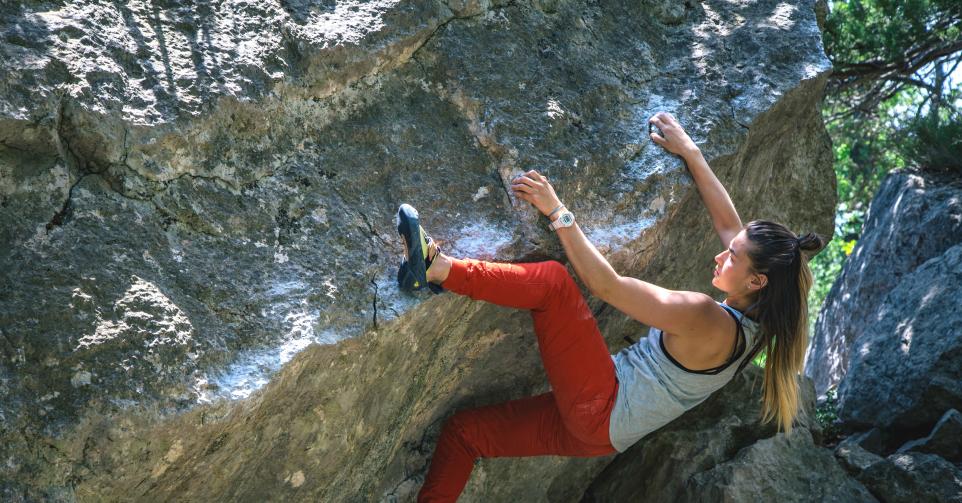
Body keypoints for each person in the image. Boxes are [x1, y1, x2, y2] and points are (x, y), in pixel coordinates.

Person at [395, 112, 826, 502]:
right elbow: (729, 226)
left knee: (554, 285)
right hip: (600, 435)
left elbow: (606, 285)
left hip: (602, 406)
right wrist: (690, 151)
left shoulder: (705, 316)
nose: (720, 255)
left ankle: (434, 267)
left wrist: (557, 211)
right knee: (465, 435)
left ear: (757, 281)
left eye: (731, 257)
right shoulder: (757, 323)